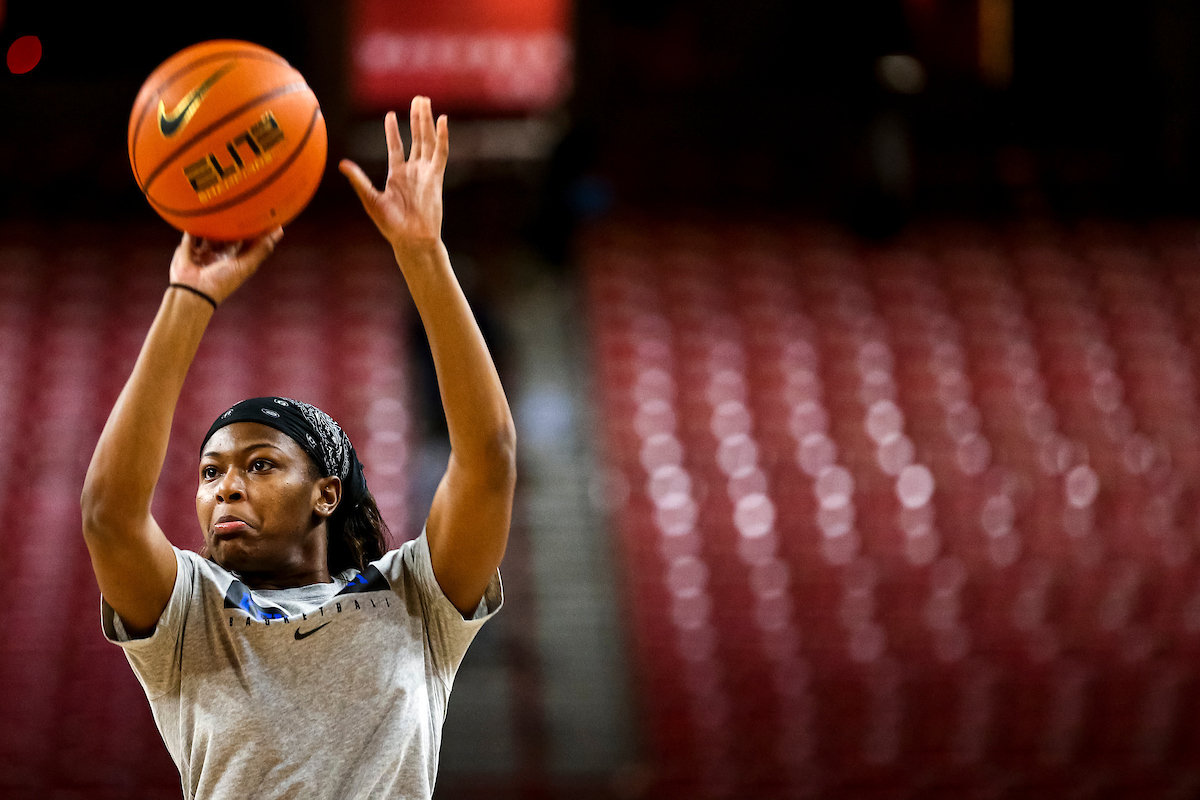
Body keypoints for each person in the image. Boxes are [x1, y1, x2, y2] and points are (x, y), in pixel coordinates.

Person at [80, 97, 516, 799]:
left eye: (259, 465)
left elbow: (488, 456)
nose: (225, 486)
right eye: (210, 471)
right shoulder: (191, 612)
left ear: (326, 492)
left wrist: (422, 254)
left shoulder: (414, 600)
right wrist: (188, 295)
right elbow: (108, 514)